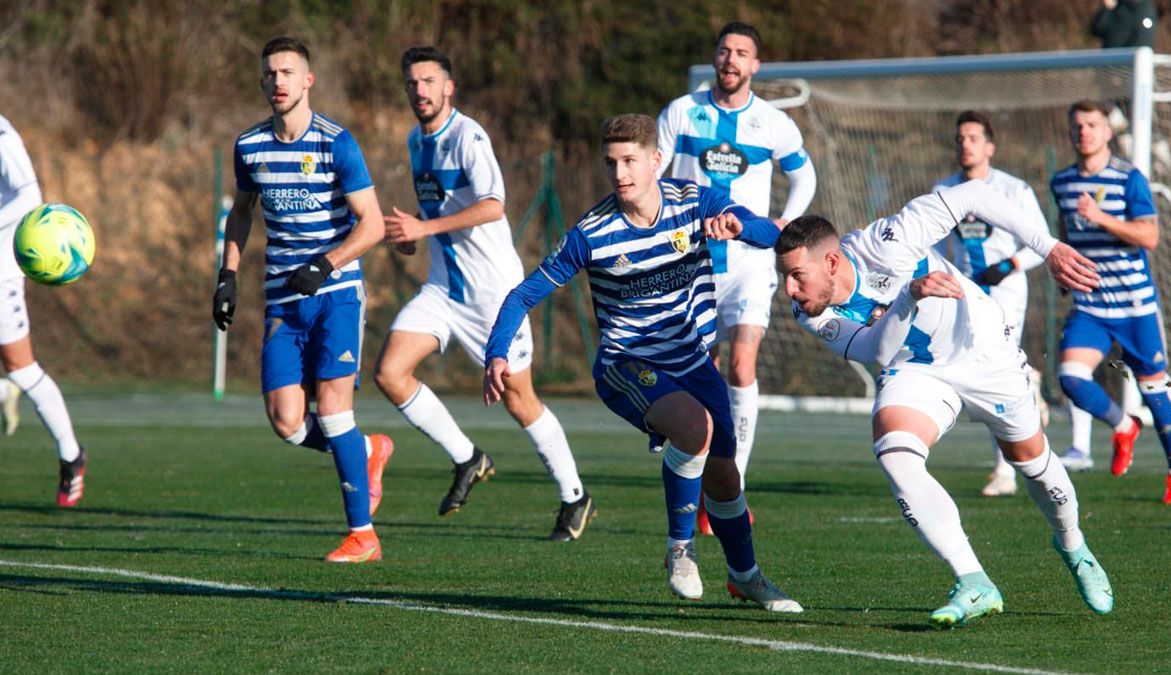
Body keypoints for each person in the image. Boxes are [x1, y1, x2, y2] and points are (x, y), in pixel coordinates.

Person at [485, 113, 800, 612]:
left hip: (693, 361)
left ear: (657, 160)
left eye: (630, 160)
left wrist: (742, 226)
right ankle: (680, 549)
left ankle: (747, 577)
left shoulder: (696, 202)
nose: (620, 173)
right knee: (693, 428)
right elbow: (522, 295)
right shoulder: (593, 232)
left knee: (725, 477)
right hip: (625, 363)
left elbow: (768, 233)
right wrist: (497, 350)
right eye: (611, 163)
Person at [777, 181, 1115, 626]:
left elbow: (973, 194)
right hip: (915, 369)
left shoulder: (889, 241)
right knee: (895, 455)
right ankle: (974, 580)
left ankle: (1073, 545)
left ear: (833, 262)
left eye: (797, 275)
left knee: (1030, 460)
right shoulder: (812, 313)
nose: (788, 290)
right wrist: (910, 296)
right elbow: (877, 353)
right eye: (784, 276)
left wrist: (1048, 247)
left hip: (984, 353)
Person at [372, 46, 595, 541]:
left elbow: (494, 206)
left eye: (429, 81)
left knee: (520, 399)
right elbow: (434, 218)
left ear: (448, 87)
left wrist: (424, 228)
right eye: (411, 83)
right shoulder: (416, 141)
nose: (419, 91)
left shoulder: (469, 136)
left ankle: (576, 497)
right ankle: (468, 457)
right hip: (443, 289)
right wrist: (413, 237)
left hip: (493, 296)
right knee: (389, 372)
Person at [212, 36, 393, 562]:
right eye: (269, 74)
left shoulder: (337, 142)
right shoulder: (249, 146)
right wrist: (228, 276)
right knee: (287, 423)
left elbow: (373, 224)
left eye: (287, 73)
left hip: (335, 294)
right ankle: (367, 450)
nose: (278, 82)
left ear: (308, 80)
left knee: (334, 410)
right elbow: (242, 212)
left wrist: (326, 263)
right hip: (282, 300)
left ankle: (363, 535)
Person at [656, 21, 816, 532]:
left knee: (741, 367)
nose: (731, 60)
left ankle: (731, 490)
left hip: (747, 264)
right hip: (690, 262)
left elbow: (804, 174)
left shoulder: (771, 123)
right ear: (715, 59)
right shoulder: (681, 112)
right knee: (700, 375)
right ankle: (702, 466)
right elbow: (653, 177)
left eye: (742, 53)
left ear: (755, 66)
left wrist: (787, 220)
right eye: (725, 51)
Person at [1051, 100, 1171, 505]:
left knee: (1155, 389)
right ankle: (1121, 425)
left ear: (1107, 131)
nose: (1084, 132)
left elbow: (1149, 237)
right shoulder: (1061, 182)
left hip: (1135, 308)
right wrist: (1064, 269)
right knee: (1070, 378)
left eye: (1092, 125)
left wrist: (1103, 219)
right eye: (1077, 126)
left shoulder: (1130, 178)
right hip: (1092, 307)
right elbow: (1065, 233)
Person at [932, 110, 1051, 498]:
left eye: (972, 137)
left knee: (992, 371)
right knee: (977, 370)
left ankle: (1005, 470)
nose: (965, 144)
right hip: (963, 296)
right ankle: (1027, 380)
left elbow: (1040, 242)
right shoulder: (943, 190)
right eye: (960, 138)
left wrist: (1010, 264)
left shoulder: (1014, 190)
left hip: (1005, 295)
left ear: (989, 146)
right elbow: (933, 246)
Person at [0, 113, 87, 507]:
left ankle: (71, 454)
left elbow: (29, 198)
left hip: (1, 270)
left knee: (22, 367)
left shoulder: (1, 135)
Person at [1091, 0, 1157, 49]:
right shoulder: (1117, 6)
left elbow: (1141, 41)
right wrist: (1107, 9)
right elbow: (1097, 29)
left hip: (1131, 63)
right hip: (1110, 62)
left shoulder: (1146, 11)